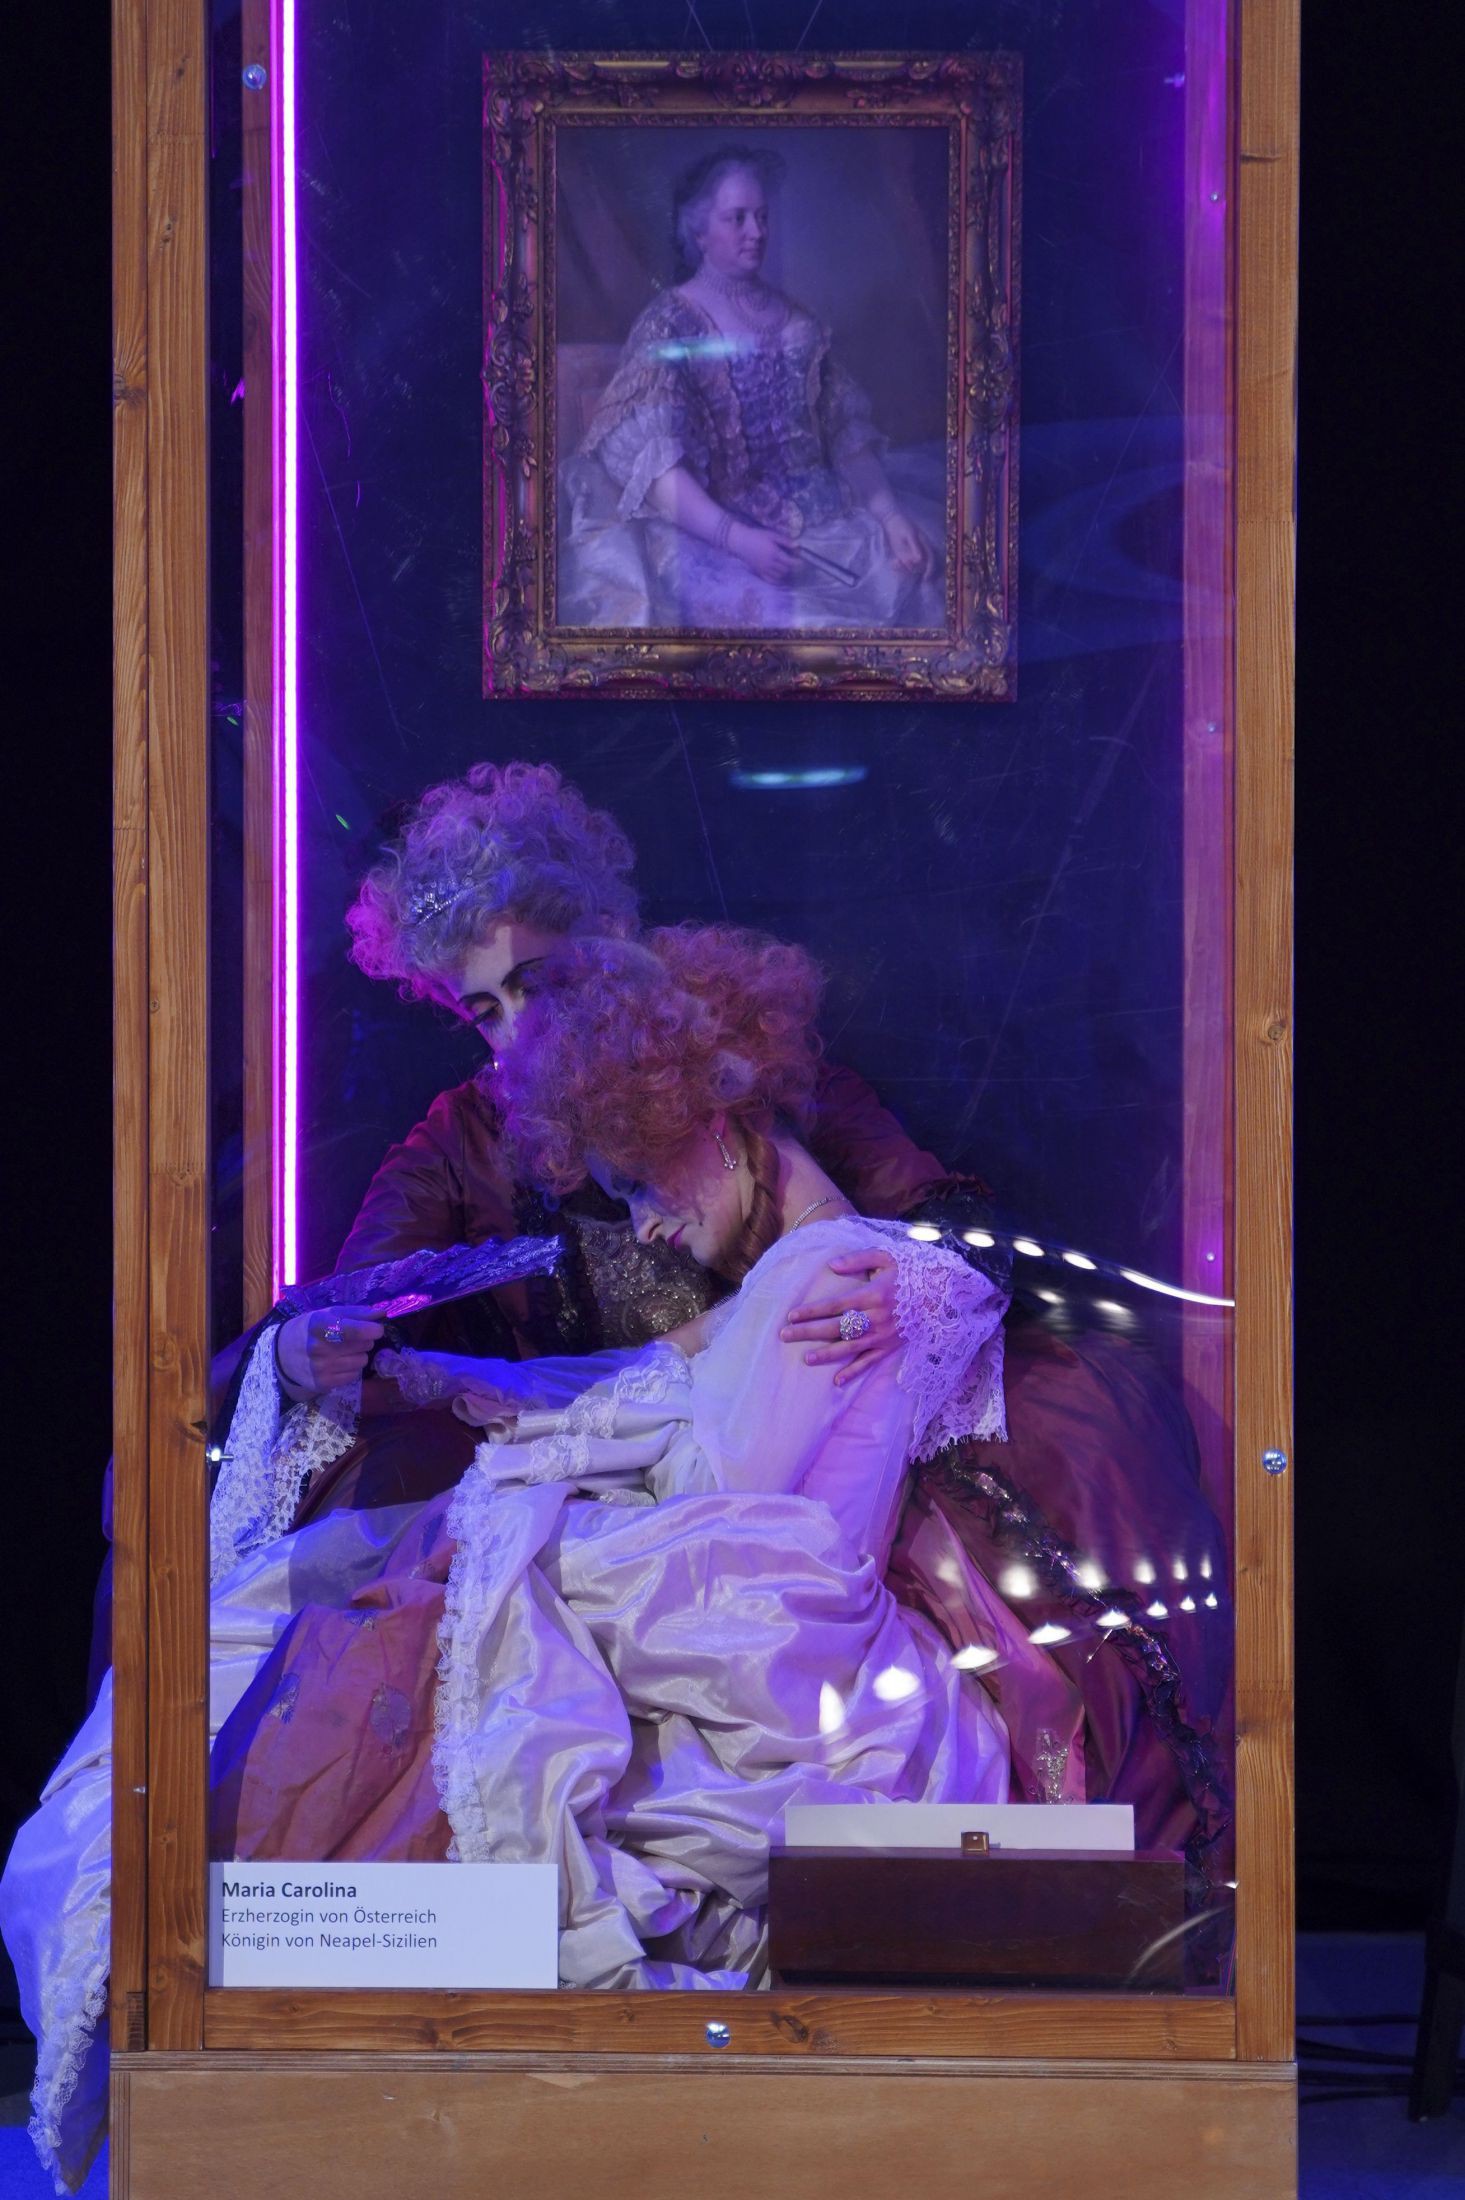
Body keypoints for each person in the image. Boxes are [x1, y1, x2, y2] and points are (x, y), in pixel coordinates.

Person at [4, 925, 1017, 2192]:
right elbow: (662, 1378)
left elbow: (731, 1521)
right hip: (731, 1589)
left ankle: (254, 2034)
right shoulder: (807, 1265)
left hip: (760, 1630)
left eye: (640, 1181)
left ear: (714, 1112)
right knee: (340, 1609)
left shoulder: (832, 1275)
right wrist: (441, 1384)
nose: (643, 1230)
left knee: (373, 1643)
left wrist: (523, 1501)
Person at [560, 147, 945, 631]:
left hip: (827, 524)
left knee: (922, 580)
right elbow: (659, 469)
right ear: (698, 231)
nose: (757, 232)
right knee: (794, 627)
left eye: (762, 217)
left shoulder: (799, 324)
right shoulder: (670, 324)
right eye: (737, 218)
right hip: (712, 534)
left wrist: (889, 517)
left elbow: (843, 432)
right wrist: (738, 539)